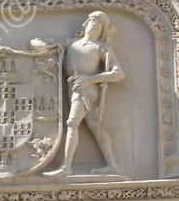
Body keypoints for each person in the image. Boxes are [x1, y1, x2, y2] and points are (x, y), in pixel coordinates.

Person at [32, 11, 125, 177]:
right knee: (95, 126)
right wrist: (50, 47)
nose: (94, 25)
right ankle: (112, 166)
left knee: (72, 123)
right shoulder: (72, 44)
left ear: (102, 30)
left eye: (98, 24)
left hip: (86, 91)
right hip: (72, 88)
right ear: (85, 24)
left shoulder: (101, 48)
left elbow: (118, 74)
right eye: (92, 22)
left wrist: (91, 79)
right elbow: (33, 42)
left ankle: (66, 166)